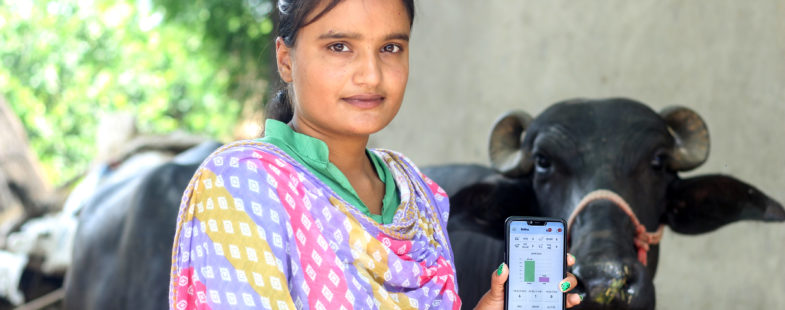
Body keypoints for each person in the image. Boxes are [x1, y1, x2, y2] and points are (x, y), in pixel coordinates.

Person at [169, 0, 581, 309]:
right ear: (286, 60)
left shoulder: (415, 194)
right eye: (340, 47)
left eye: (390, 48)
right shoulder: (240, 185)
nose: (371, 74)